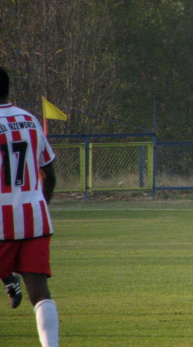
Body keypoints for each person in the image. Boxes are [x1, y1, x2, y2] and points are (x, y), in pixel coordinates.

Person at [0, 67, 59, 346]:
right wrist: (39, 206)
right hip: (35, 218)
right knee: (39, 290)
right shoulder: (29, 119)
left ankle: (8, 278)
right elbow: (50, 174)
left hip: (0, 220)